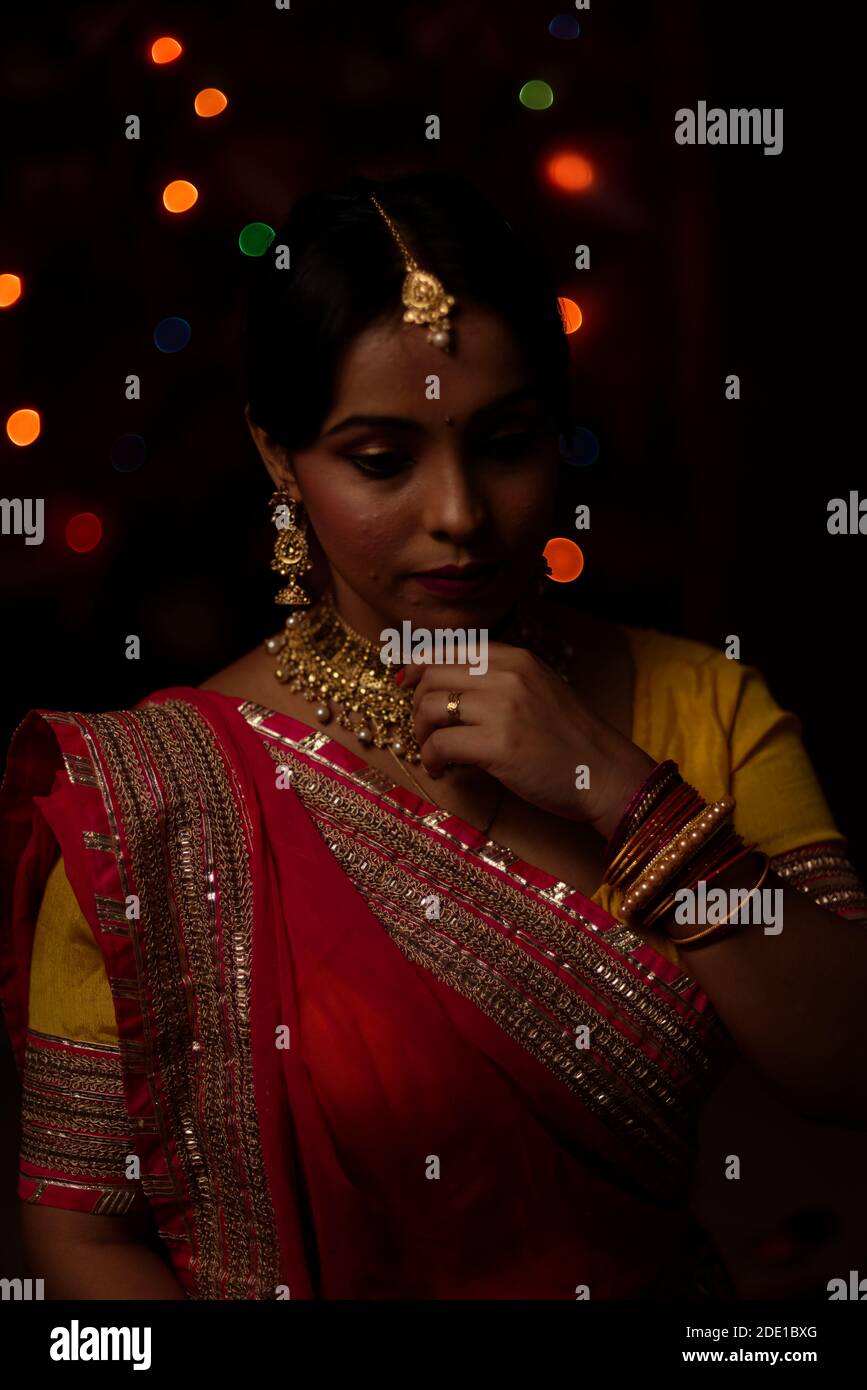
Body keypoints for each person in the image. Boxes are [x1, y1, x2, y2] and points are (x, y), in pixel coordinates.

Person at [1, 172, 865, 1301]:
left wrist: (621, 792)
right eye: (380, 458)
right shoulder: (155, 796)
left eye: (506, 443)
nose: (459, 512)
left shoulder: (699, 709)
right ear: (280, 458)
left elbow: (849, 1057)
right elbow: (83, 1235)